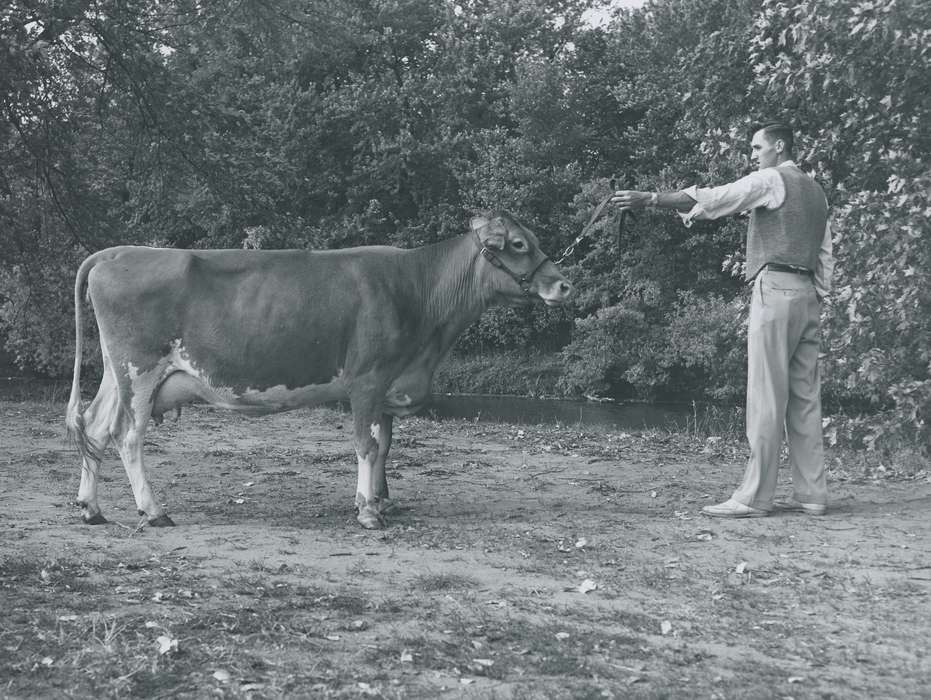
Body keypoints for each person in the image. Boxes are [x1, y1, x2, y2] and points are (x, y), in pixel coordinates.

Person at [611, 121, 833, 518]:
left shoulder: (771, 179)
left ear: (778, 147)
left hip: (776, 288)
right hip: (809, 296)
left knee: (767, 397)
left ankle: (754, 498)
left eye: (756, 147)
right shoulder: (817, 192)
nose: (752, 154)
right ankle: (813, 494)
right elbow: (825, 256)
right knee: (805, 398)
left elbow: (718, 198)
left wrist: (651, 198)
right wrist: (817, 296)